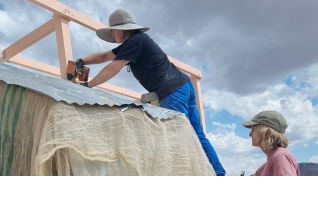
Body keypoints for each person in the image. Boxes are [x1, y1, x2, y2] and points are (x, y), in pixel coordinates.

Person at [75, 9, 226, 176]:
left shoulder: (134, 41)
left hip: (171, 89)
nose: (112, 34)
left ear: (122, 29)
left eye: (113, 30)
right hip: (184, 86)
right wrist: (81, 61)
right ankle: (218, 173)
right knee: (196, 135)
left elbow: (112, 68)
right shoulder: (135, 42)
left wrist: (88, 85)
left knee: (176, 136)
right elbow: (103, 56)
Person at [241, 111, 300, 176]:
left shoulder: (281, 157)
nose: (250, 134)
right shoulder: (263, 168)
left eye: (253, 129)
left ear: (265, 132)